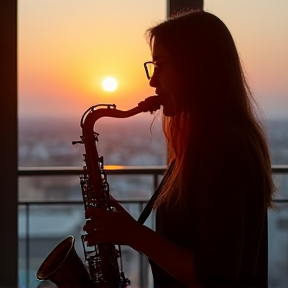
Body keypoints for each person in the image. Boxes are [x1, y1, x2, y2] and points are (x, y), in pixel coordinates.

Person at [83, 9, 276, 288]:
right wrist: (130, 230)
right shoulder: (209, 141)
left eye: (160, 66)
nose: (152, 81)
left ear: (195, 68)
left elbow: (214, 275)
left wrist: (134, 235)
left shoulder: (223, 147)